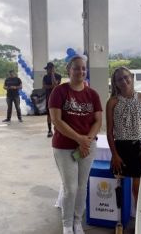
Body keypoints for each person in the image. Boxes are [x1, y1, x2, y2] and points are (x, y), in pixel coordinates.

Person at [49, 55, 102, 234]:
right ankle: (66, 224)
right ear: (68, 70)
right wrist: (80, 139)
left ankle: (77, 221)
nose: (81, 71)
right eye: (76, 68)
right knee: (70, 188)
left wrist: (86, 141)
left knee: (82, 186)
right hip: (64, 146)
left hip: (87, 146)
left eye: (83, 68)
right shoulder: (59, 91)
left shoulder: (92, 94)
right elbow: (56, 120)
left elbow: (97, 121)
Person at [106, 66, 141, 207]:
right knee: (119, 187)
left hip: (140, 148)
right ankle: (121, 221)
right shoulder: (112, 102)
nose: (124, 81)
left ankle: (140, 222)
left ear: (132, 77)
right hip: (121, 149)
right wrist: (114, 155)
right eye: (119, 79)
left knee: (139, 189)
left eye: (126, 77)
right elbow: (109, 132)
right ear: (115, 83)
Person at [43, 62, 62, 137]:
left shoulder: (58, 76)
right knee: (49, 114)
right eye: (47, 69)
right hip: (48, 97)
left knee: (58, 114)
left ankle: (58, 129)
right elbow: (44, 86)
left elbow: (55, 85)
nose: (47, 71)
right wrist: (52, 86)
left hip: (57, 97)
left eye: (49, 69)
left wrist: (53, 75)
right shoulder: (45, 77)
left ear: (52, 69)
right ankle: (49, 130)